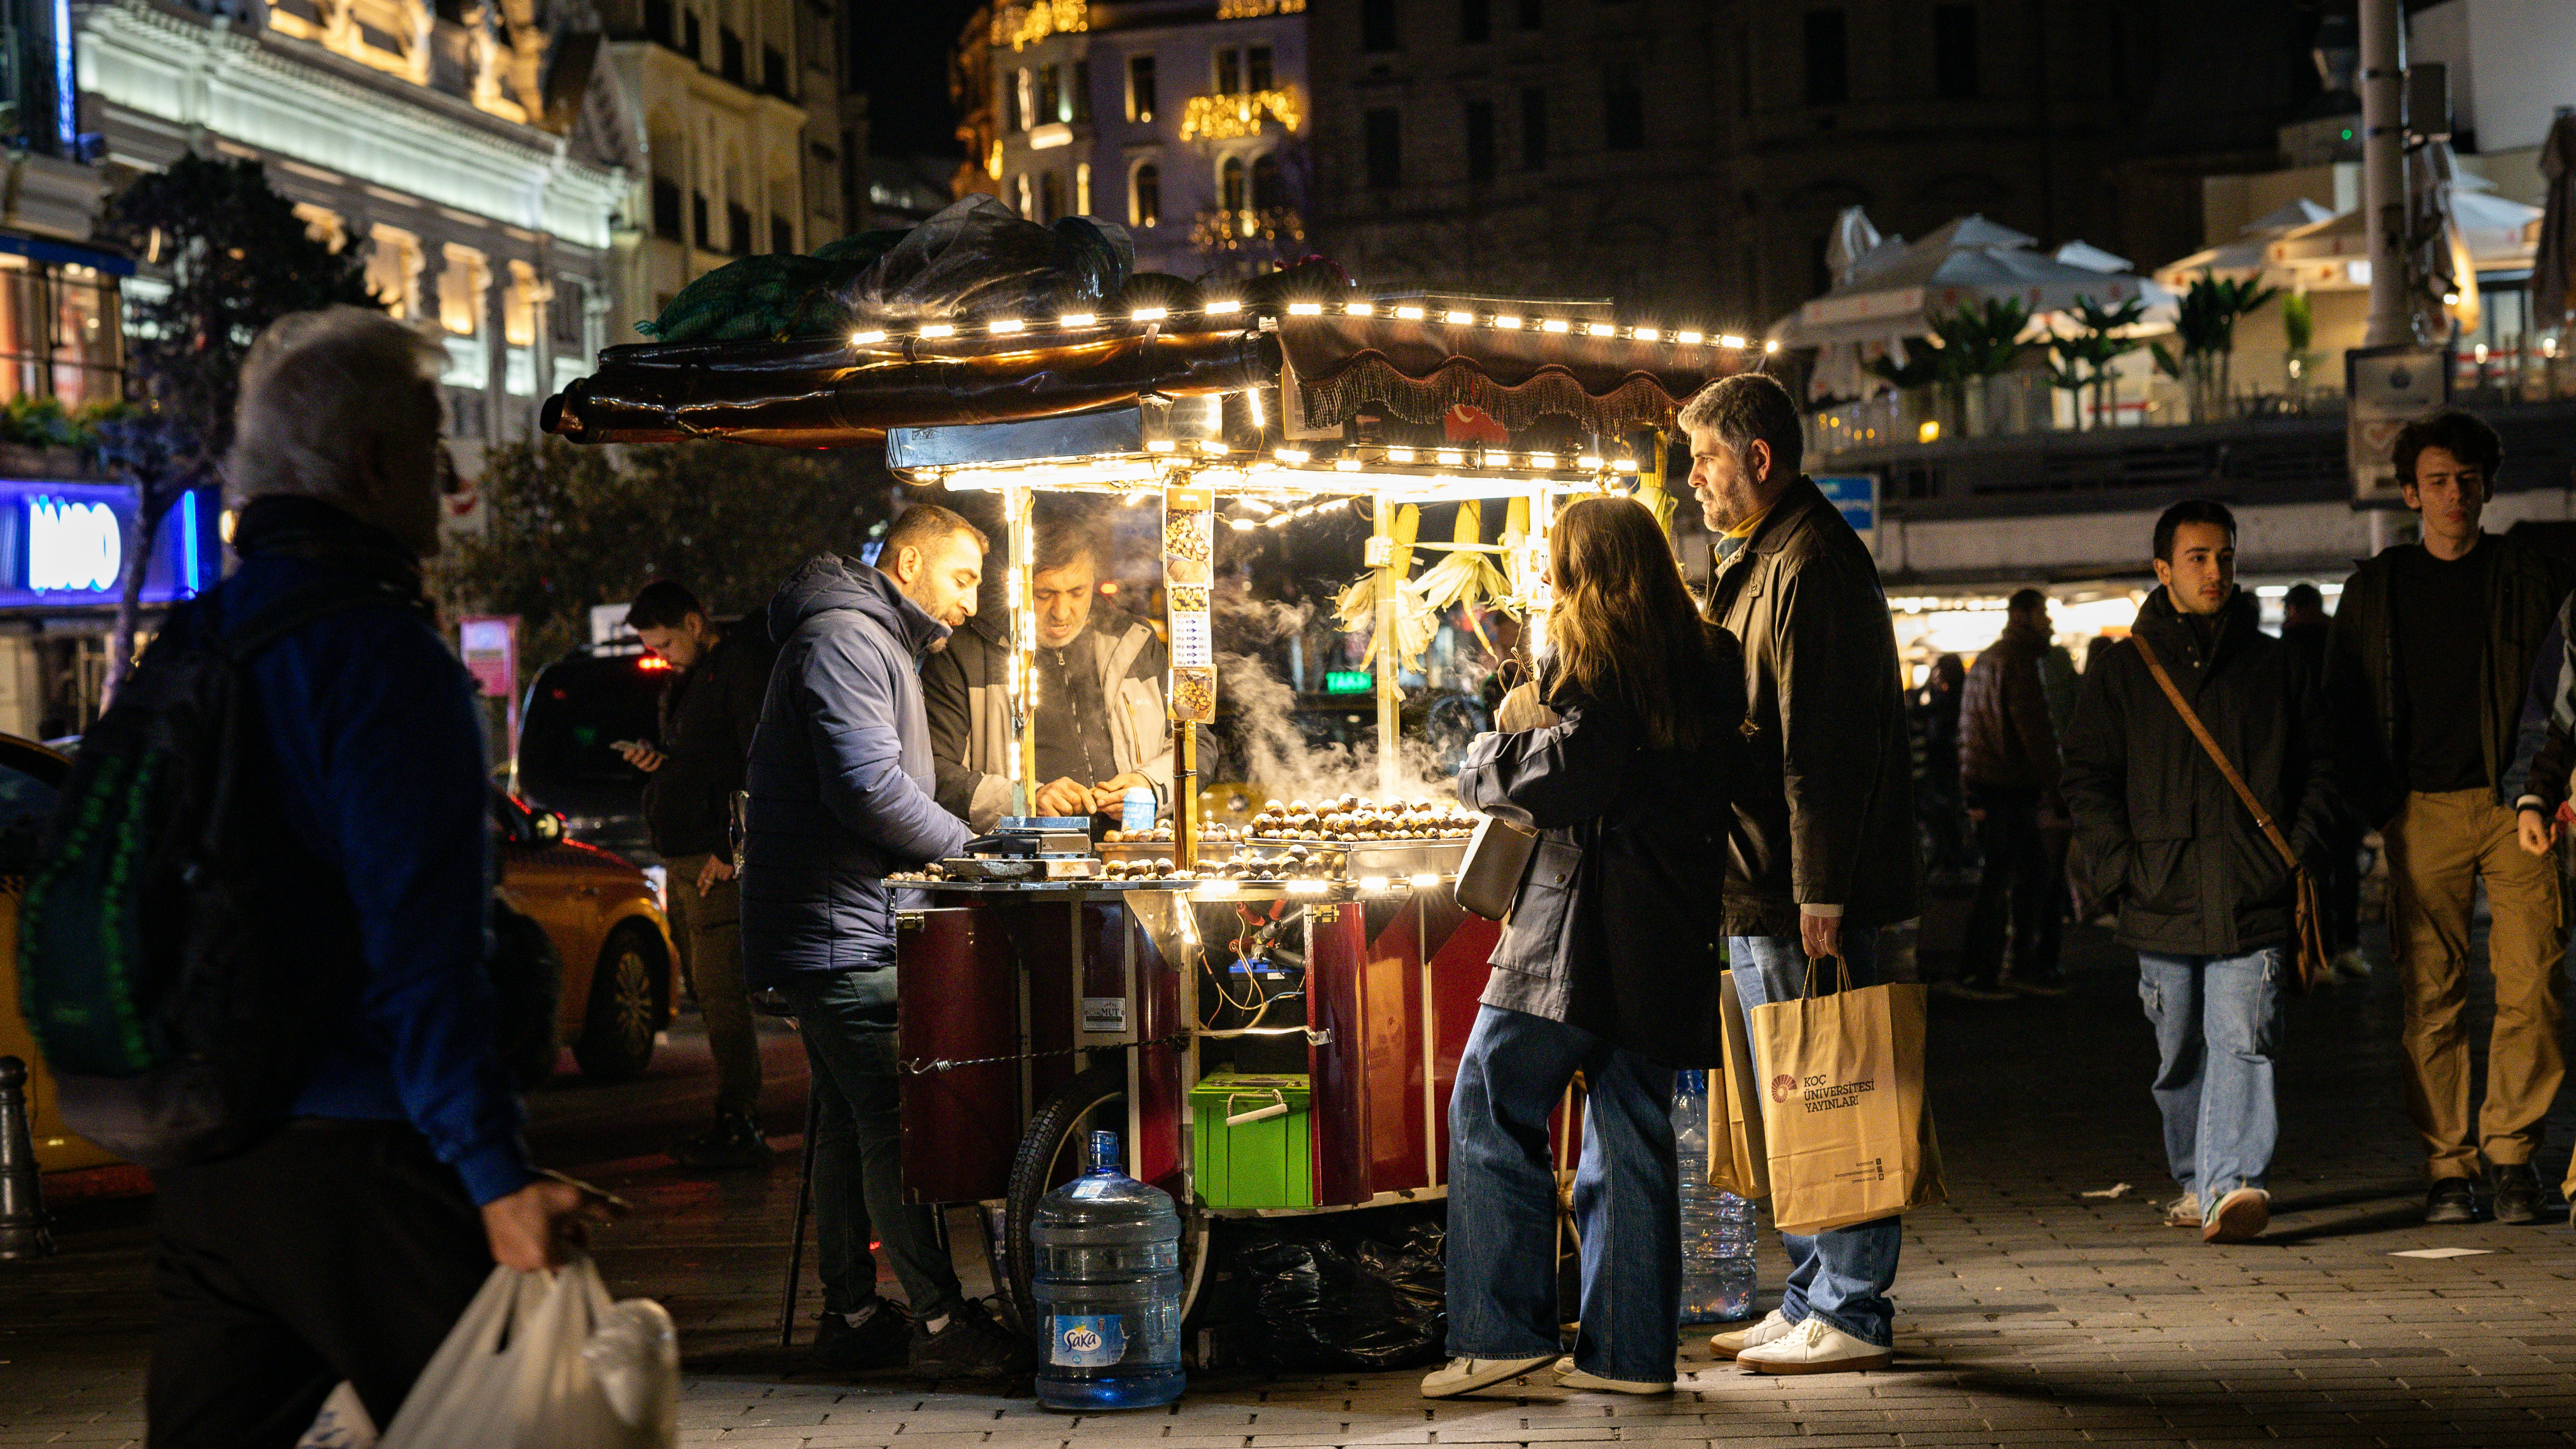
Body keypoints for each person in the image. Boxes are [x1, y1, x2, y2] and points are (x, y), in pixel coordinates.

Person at [150, 308, 612, 1443]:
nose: (451, 474)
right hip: (362, 1151)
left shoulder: (199, 635)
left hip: (210, 1156)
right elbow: (423, 956)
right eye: (433, 438)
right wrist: (494, 1177)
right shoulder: (382, 658)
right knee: (520, 1427)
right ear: (372, 464)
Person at [1425, 494, 1745, 1400]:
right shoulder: (1710, 656)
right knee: (1632, 1133)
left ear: (1585, 572)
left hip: (1575, 933)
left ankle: (1497, 1333)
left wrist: (1488, 752)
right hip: (1669, 930)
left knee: (1489, 1103)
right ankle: (1629, 1355)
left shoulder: (1597, 657)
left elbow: (1571, 776)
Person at [739, 503, 1030, 1378]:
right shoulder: (847, 641)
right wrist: (969, 853)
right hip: (838, 928)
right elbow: (867, 787)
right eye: (962, 577)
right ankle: (942, 1327)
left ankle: (854, 1312)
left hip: (834, 922)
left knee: (844, 1121)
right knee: (893, 1121)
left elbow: (897, 774)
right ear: (905, 562)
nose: (973, 603)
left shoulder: (871, 640)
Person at [1687, 372, 1921, 1375]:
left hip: (1796, 884)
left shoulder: (1812, 563)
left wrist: (1820, 889)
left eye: (1703, 455)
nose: (1691, 475)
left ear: (1759, 460)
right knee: (1799, 1093)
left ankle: (1852, 1304)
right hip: (1764, 876)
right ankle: (1811, 1291)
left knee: (1831, 1084)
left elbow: (1821, 744)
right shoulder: (1767, 557)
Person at [2324, 409, 2576, 1227]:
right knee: (2429, 997)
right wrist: (2385, 808)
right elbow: (2343, 707)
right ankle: (2447, 1166)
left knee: (2534, 981)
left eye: (2467, 481)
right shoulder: (2376, 590)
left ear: (2488, 488)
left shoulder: (2529, 576)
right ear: (2409, 493)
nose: (2454, 495)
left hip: (2515, 804)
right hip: (2420, 811)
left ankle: (2511, 1156)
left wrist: (2542, 784)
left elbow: (2561, 695)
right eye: (2437, 482)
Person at [2061, 500, 2337, 1244]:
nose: (2215, 572)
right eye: (2197, 558)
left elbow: (2321, 766)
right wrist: (2120, 869)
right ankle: (2195, 1175)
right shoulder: (2124, 671)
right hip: (2161, 894)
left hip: (2255, 892)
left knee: (2244, 1040)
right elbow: (2087, 776)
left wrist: (2297, 847)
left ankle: (2231, 1184)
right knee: (2179, 1051)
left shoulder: (2275, 665)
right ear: (2163, 571)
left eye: (2224, 557)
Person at [616, 580, 778, 1170]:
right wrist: (660, 763)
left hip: (712, 861)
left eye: (664, 643)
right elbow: (705, 761)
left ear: (693, 621)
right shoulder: (693, 678)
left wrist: (729, 846)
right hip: (686, 854)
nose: (662, 655)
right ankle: (735, 1113)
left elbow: (757, 759)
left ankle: (740, 1117)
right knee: (708, 994)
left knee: (721, 992)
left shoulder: (737, 667)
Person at [924, 513, 1177, 829]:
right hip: (1024, 863)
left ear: (1095, 583)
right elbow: (934, 772)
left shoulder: (1135, 642)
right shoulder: (964, 653)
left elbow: (1195, 745)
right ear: (1016, 585)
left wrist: (1149, 786)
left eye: (1076, 592)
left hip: (1128, 856)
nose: (1061, 612)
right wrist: (1027, 799)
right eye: (1045, 595)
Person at [1954, 589, 2068, 999]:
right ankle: (1997, 969)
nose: (2049, 622)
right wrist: (2056, 786)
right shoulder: (2018, 662)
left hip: (1989, 783)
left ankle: (1991, 968)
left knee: (2007, 875)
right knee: (2020, 876)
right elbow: (2035, 731)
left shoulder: (1990, 658)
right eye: (2043, 613)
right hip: (2010, 785)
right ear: (2024, 615)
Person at [2279, 583, 2367, 983]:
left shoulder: (2284, 650)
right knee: (2346, 862)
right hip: (2347, 768)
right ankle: (2350, 946)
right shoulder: (2344, 643)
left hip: (2302, 773)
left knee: (2311, 863)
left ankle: (2319, 953)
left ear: (2293, 608)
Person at [1911, 654, 1971, 881]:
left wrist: (1928, 682)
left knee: (1944, 815)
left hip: (1943, 766)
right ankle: (1951, 860)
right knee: (1949, 814)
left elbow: (1917, 709)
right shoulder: (1959, 696)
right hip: (1953, 765)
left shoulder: (1945, 699)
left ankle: (1948, 861)